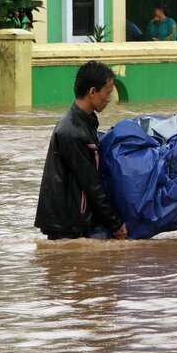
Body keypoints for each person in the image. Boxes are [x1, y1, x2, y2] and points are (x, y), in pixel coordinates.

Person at [34, 61, 128, 240]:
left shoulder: (84, 122)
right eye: (107, 93)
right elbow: (91, 183)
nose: (109, 99)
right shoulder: (72, 132)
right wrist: (116, 223)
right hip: (68, 225)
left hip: (74, 220)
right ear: (92, 92)